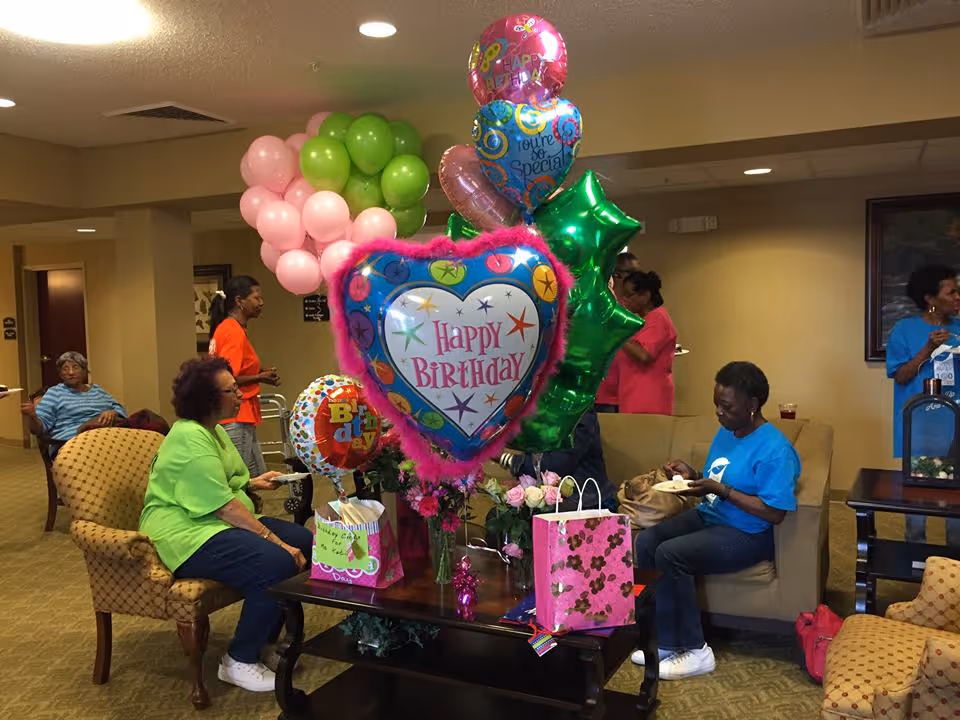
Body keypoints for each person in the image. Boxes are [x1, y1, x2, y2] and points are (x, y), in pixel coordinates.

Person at [139, 357, 313, 693]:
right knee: (277, 561)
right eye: (232, 390)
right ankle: (238, 660)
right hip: (185, 532)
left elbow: (222, 482)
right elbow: (222, 505)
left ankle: (263, 641)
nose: (241, 394)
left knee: (304, 540)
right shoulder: (189, 438)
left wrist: (252, 482)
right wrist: (278, 543)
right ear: (208, 398)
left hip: (214, 519)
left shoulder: (213, 430)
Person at [631, 361, 801, 680]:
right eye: (716, 405)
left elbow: (774, 512)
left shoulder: (775, 449)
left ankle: (697, 651)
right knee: (648, 541)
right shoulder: (727, 432)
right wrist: (693, 476)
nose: (719, 413)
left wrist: (721, 490)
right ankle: (666, 639)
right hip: (711, 515)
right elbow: (718, 481)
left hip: (748, 532)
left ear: (752, 404)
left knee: (671, 554)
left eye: (727, 406)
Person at [886, 264, 960, 547]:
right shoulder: (904, 330)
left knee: (956, 513)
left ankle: (953, 570)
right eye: (951, 292)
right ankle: (916, 566)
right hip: (920, 433)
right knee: (917, 511)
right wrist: (928, 350)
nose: (957, 296)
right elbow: (901, 376)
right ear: (930, 298)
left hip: (955, 432)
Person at [208, 275, 281, 478]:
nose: (261, 303)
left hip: (241, 413)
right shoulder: (232, 331)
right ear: (239, 301)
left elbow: (233, 368)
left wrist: (259, 373)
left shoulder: (229, 328)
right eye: (256, 298)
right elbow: (227, 377)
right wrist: (261, 377)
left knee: (256, 473)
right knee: (239, 477)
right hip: (235, 414)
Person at [498, 409, 617, 512]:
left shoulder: (580, 410)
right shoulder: (538, 408)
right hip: (546, 494)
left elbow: (558, 464)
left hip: (585, 499)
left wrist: (506, 458)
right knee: (500, 514)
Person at [20, 352, 125, 452]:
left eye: (75, 367)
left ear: (84, 371)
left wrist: (113, 412)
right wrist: (32, 416)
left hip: (108, 437)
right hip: (73, 444)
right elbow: (38, 429)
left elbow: (119, 409)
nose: (70, 372)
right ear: (61, 374)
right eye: (65, 369)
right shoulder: (54, 393)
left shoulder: (98, 390)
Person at [615, 270, 677, 415]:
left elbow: (644, 355)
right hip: (633, 397)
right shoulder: (643, 320)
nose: (624, 300)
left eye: (629, 295)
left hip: (648, 399)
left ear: (646, 295)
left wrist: (618, 333)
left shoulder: (658, 318)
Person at [597, 253, 642, 413]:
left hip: (630, 394)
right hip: (604, 395)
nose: (639, 280)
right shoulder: (603, 305)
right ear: (616, 274)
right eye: (634, 274)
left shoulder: (637, 307)